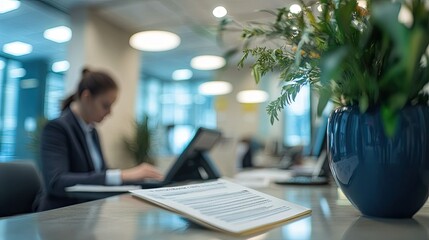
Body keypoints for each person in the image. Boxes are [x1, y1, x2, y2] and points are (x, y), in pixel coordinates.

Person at [38, 68, 163, 211]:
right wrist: (123, 175)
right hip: (59, 215)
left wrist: (136, 182)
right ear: (86, 97)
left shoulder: (92, 131)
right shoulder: (57, 128)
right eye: (106, 105)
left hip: (87, 213)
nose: (110, 113)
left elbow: (100, 173)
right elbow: (57, 182)